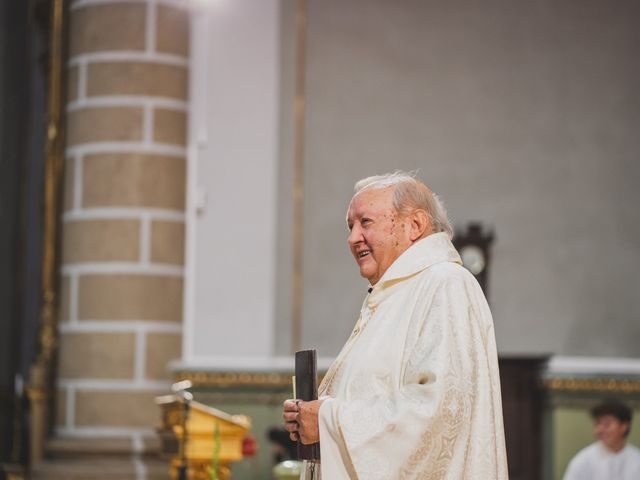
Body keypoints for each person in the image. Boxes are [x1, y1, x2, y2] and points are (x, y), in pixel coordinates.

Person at [283, 171, 508, 479]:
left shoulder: (445, 283)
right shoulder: (393, 295)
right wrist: (312, 417)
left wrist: (328, 420)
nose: (352, 238)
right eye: (350, 226)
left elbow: (439, 412)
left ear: (414, 225)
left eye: (366, 222)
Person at [563, 399, 640, 480]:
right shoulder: (582, 461)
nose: (599, 430)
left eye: (606, 424)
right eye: (598, 424)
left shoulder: (637, 460)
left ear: (624, 426)